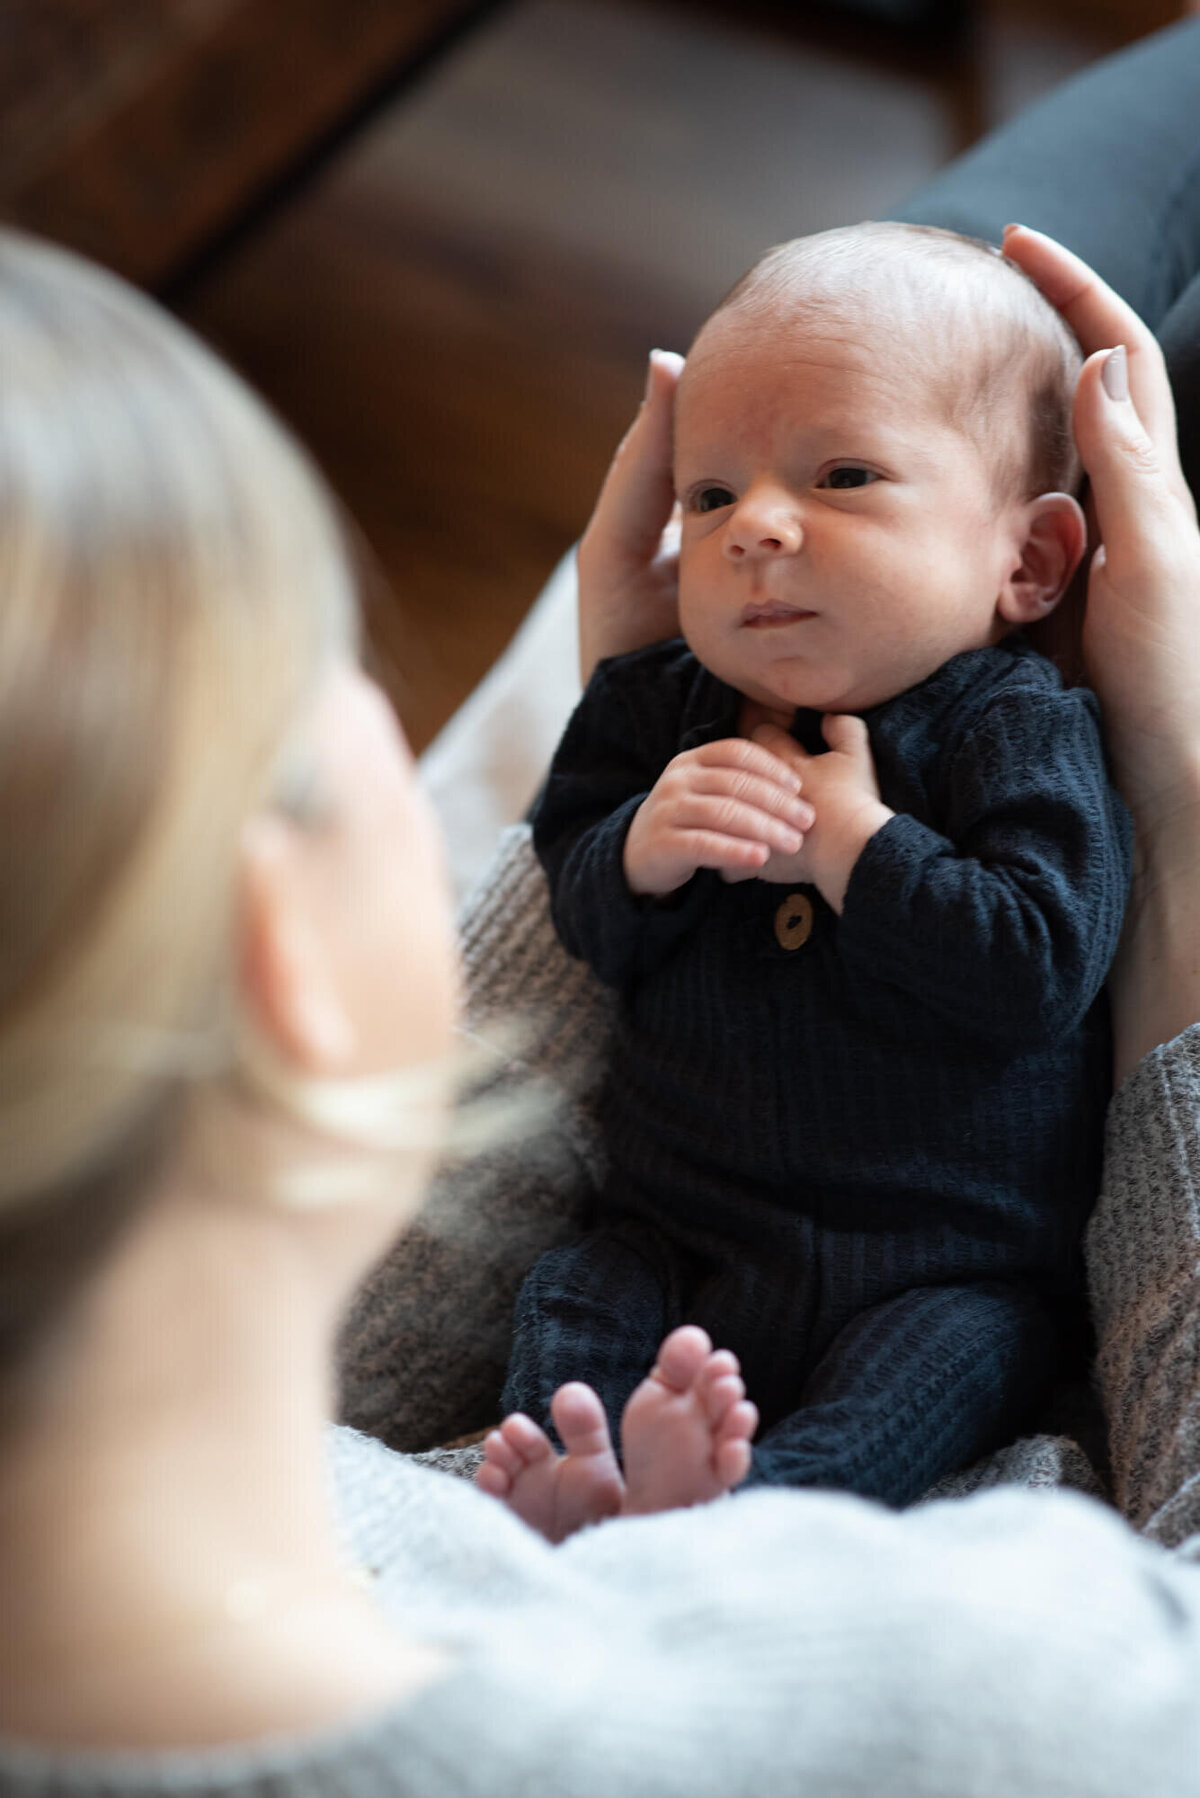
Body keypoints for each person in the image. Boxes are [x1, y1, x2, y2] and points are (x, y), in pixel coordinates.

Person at [3, 18, 1200, 1794]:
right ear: (276, 965)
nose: (741, 528)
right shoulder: (984, 1682)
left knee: (949, 310)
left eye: (821, 486)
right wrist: (1176, 793)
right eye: (328, 711)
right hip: (997, 1360)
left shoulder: (341, 1482)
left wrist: (644, 712)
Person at [485, 223, 1131, 1531]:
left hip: (941, 1262)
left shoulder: (1019, 725)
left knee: (966, 1362)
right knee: (577, 1290)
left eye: (840, 476)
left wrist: (862, 847)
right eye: (710, 495)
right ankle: (584, 1463)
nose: (757, 529)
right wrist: (640, 849)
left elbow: (1041, 965)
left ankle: (757, 1509)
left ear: (1032, 561)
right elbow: (578, 897)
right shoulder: (656, 708)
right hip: (681, 1229)